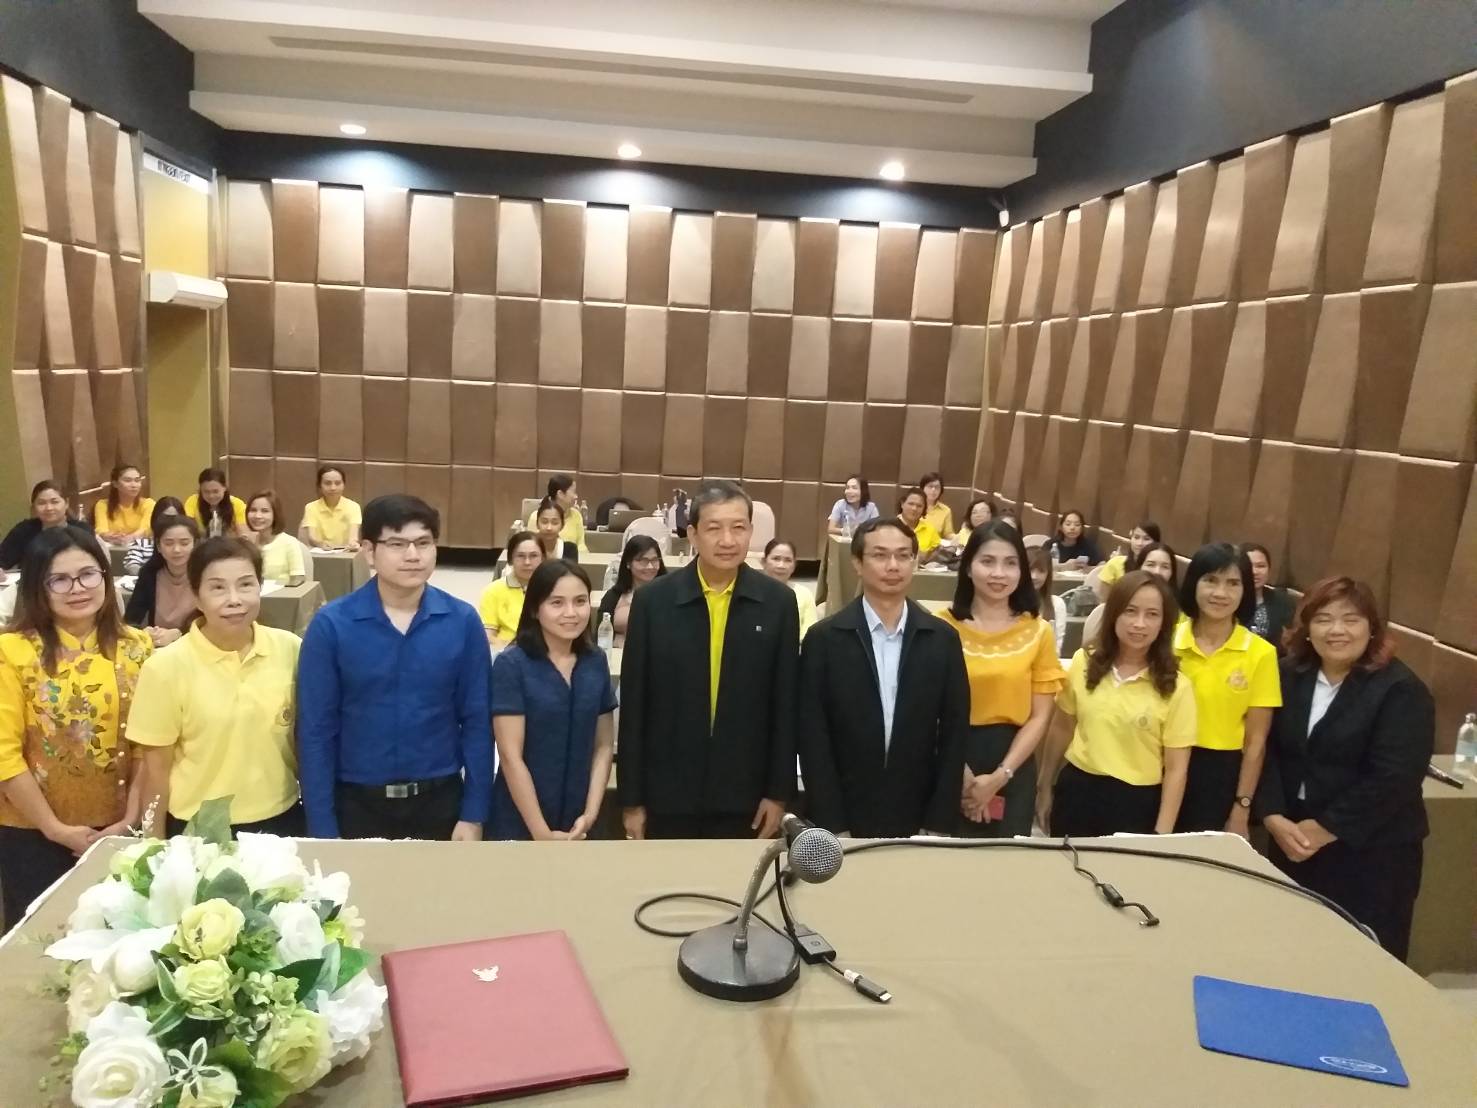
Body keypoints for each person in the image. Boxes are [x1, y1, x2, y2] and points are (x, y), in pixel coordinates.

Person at [1253, 577, 1435, 963]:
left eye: (1350, 619)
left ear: (1372, 628)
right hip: (1291, 839)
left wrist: (1324, 829)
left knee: (1364, 961)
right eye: (1323, 619)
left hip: (1373, 852)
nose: (1337, 630)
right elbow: (1264, 748)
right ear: (1307, 628)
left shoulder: (1400, 689)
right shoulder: (1287, 674)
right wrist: (1271, 815)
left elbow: (1395, 777)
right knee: (1291, 953)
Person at [297, 494, 491, 841]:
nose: (413, 555)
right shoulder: (332, 625)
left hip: (440, 802)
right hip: (356, 804)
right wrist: (322, 828)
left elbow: (477, 721)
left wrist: (474, 814)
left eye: (423, 542)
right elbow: (315, 732)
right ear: (369, 551)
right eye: (397, 544)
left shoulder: (462, 621)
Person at [618, 480, 799, 840]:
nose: (727, 540)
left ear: (751, 532)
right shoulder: (654, 602)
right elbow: (635, 705)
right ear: (693, 534)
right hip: (667, 792)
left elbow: (785, 704)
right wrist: (631, 800)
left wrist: (778, 793)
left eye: (739, 527)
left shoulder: (778, 603)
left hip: (746, 794)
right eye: (714, 528)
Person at [0, 527, 151, 929]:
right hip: (33, 831)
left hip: (121, 828)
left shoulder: (137, 646)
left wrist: (131, 818)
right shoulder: (12, 651)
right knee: (42, 941)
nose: (77, 588)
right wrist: (55, 829)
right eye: (60, 580)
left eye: (87, 574)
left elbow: (147, 744)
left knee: (121, 938)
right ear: (38, 587)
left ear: (105, 576)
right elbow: (4, 755)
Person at [798, 518, 968, 837]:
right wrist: (832, 822)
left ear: (914, 562)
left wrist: (939, 821)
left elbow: (954, 734)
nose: (893, 566)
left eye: (903, 556)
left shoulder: (942, 639)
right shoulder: (824, 639)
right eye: (880, 555)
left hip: (919, 813)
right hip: (845, 811)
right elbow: (812, 738)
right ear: (857, 563)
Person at [129, 538, 303, 837]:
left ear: (260, 587)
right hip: (197, 828)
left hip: (282, 819)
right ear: (196, 597)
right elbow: (155, 775)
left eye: (246, 584)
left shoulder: (291, 649)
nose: (234, 599)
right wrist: (152, 844)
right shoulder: (164, 667)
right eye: (218, 588)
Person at [1038, 571, 1196, 837]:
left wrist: (1162, 834)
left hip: (1136, 803)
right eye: (1130, 611)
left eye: (1152, 615)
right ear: (1113, 613)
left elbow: (1176, 770)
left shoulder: (1177, 687)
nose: (1139, 624)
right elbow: (1061, 728)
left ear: (1164, 623)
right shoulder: (1084, 662)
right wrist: (1044, 787)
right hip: (1077, 792)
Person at [938, 522, 1066, 838]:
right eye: (987, 561)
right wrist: (964, 777)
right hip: (951, 757)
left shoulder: (1038, 632)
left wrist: (998, 777)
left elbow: (1040, 717)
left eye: (1010, 563)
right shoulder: (940, 627)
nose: (999, 573)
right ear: (968, 567)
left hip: (1013, 762)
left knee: (1006, 859)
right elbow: (928, 709)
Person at [490, 560, 617, 841]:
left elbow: (603, 745)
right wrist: (541, 833)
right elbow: (510, 757)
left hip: (581, 819)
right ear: (535, 609)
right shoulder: (512, 665)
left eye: (580, 601)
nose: (571, 613)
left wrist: (591, 813)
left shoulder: (595, 661)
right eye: (557, 603)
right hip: (521, 820)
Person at [1173, 543, 1282, 836]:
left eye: (1233, 583)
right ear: (1193, 583)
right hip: (1157, 763)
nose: (1220, 593)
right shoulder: (1166, 641)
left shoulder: (1261, 653)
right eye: (1210, 580)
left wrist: (1242, 806)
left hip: (1218, 775)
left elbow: (1256, 741)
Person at [123, 514, 200, 647]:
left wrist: (178, 633)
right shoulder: (150, 573)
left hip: (197, 644)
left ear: (195, 544)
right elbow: (130, 620)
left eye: (184, 543)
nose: (176, 550)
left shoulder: (205, 574)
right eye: (169, 543)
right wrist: (142, 632)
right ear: (158, 546)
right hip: (159, 646)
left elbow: (213, 623)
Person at [1083, 542, 1178, 648]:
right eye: (1151, 565)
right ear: (1139, 567)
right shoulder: (1120, 597)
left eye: (1165, 567)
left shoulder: (1179, 612)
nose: (1157, 572)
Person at [0, 481, 92, 572]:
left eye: (54, 502)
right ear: (34, 506)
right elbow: (2, 559)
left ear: (66, 503)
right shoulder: (24, 531)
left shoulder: (82, 530)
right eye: (41, 503)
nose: (49, 508)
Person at [597, 535, 665, 648]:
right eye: (643, 561)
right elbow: (599, 637)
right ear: (628, 563)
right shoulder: (613, 596)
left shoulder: (670, 593)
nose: (650, 566)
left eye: (654, 560)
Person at [480, 532, 543, 648]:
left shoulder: (553, 589)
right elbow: (487, 636)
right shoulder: (494, 590)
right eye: (520, 556)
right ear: (510, 559)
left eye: (534, 556)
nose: (527, 562)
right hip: (507, 651)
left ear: (543, 558)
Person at [1241, 542, 1295, 655]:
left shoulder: (1283, 601)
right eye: (1248, 566)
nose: (1254, 572)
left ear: (1269, 569)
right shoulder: (1226, 600)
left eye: (1261, 566)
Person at [246, 491, 306, 586]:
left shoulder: (289, 542)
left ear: (275, 514)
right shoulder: (246, 543)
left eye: (265, 511)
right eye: (253, 510)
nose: (257, 516)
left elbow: (298, 579)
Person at [761, 539, 818, 638]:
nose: (781, 565)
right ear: (764, 561)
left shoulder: (804, 594)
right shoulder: (751, 590)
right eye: (776, 559)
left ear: (794, 565)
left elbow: (809, 634)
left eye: (788, 560)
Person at [299, 464, 362, 551]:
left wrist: (353, 544)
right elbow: (312, 538)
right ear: (320, 486)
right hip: (320, 553)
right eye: (327, 483)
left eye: (338, 483)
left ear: (344, 485)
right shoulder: (311, 507)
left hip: (345, 553)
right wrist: (321, 544)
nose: (333, 488)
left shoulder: (353, 507)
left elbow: (353, 537)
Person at [1095, 520, 1160, 599]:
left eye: (1146, 539)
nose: (1140, 543)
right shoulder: (1115, 563)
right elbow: (1104, 599)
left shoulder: (1158, 569)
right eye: (1136, 537)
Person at [92, 465, 154, 545]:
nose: (134, 485)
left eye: (137, 480)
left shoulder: (148, 504)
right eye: (128, 481)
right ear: (115, 484)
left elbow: (146, 529)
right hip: (112, 547)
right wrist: (109, 536)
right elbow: (100, 529)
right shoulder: (102, 505)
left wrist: (130, 538)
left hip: (139, 548)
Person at [525, 474, 587, 552]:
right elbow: (530, 547)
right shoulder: (536, 517)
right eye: (573, 492)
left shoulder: (576, 515)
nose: (576, 496)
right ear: (560, 494)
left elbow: (581, 544)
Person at [123, 497, 184, 575]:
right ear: (155, 519)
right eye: (164, 518)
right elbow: (132, 566)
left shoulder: (189, 545)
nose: (168, 523)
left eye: (173, 518)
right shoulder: (140, 544)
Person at [184, 468, 247, 538]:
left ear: (224, 488)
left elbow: (242, 534)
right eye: (206, 492)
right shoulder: (193, 501)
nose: (211, 496)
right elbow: (187, 528)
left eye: (215, 491)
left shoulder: (237, 504)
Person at [1028, 544, 1065, 656]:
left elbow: (1057, 647)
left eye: (1041, 571)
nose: (1034, 576)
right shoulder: (1007, 603)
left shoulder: (1057, 604)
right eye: (1029, 570)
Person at [896, 487, 942, 562]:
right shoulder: (890, 528)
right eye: (911, 504)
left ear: (924, 508)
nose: (914, 508)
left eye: (919, 506)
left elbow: (937, 554)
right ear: (902, 504)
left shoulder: (930, 530)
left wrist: (927, 558)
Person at [532, 497, 579, 562]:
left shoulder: (569, 549)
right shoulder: (528, 548)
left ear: (562, 525)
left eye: (555, 523)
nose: (549, 528)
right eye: (544, 522)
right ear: (537, 524)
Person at [918, 472, 954, 538]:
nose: (933, 490)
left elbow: (948, 534)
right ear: (922, 488)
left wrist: (960, 537)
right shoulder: (914, 506)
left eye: (937, 487)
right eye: (930, 486)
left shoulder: (945, 510)